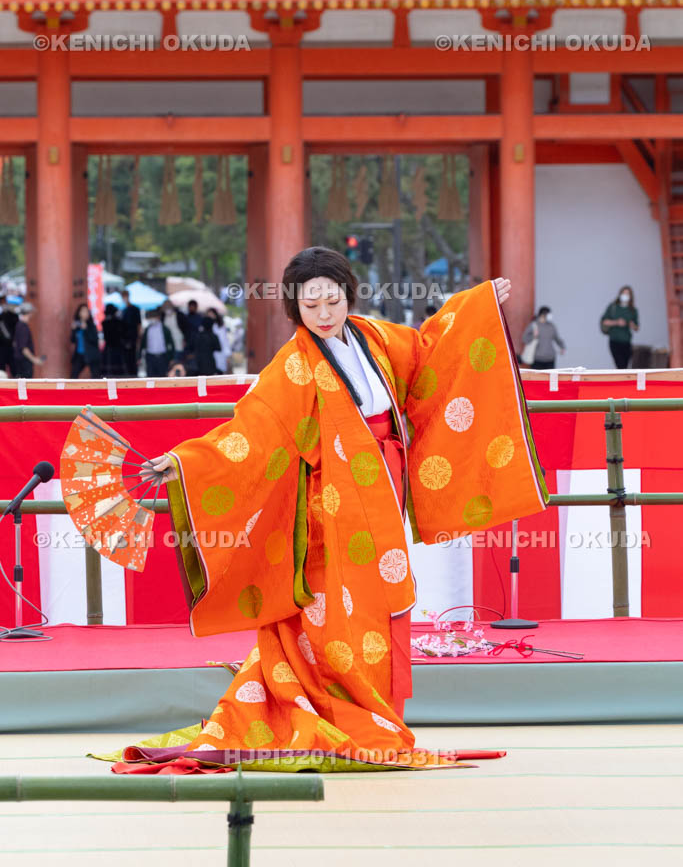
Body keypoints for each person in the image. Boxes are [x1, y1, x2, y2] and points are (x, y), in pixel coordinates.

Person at [116, 248, 548, 773]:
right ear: (295, 309)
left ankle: (379, 715)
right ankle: (334, 713)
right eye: (311, 303)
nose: (325, 312)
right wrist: (184, 462)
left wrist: (479, 308)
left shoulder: (375, 336)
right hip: (329, 508)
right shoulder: (292, 366)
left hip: (385, 487)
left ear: (348, 296)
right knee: (326, 614)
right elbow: (249, 433)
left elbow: (431, 349)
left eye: (333, 299)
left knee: (384, 600)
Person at [600, 286, 639, 369]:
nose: (625, 295)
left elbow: (637, 327)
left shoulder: (632, 310)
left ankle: (625, 381)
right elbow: (604, 321)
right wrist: (617, 322)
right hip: (614, 341)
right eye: (624, 293)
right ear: (620, 294)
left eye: (627, 294)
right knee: (620, 365)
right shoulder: (613, 307)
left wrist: (631, 324)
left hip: (626, 342)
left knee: (625, 366)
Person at [139, 307, 174, 378]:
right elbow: (142, 344)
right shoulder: (147, 329)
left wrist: (171, 358)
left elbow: (171, 344)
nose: (151, 320)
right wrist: (139, 357)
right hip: (150, 357)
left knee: (162, 377)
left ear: (158, 317)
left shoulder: (165, 329)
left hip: (162, 357)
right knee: (150, 378)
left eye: (152, 317)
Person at [70, 304, 101, 379]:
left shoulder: (91, 325)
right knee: (74, 375)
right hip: (80, 354)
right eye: (82, 311)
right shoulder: (77, 325)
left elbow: (95, 340)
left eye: (86, 311)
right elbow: (72, 340)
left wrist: (86, 329)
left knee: (95, 376)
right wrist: (73, 330)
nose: (84, 313)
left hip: (91, 354)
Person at [13, 304, 44, 378]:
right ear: (28, 312)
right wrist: (34, 360)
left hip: (20, 361)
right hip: (24, 362)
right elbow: (24, 348)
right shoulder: (23, 327)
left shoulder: (19, 325)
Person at [120, 289, 142, 377]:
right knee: (127, 361)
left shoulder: (135, 309)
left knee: (133, 360)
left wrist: (138, 339)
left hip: (133, 338)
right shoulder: (123, 310)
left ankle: (134, 376)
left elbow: (139, 325)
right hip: (125, 339)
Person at [206, 307, 232, 374]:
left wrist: (227, 354)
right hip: (210, 354)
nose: (210, 316)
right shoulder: (206, 327)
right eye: (208, 315)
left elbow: (224, 341)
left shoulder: (220, 326)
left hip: (220, 352)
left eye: (211, 314)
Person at [101, 303, 125, 377]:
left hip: (110, 348)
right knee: (117, 370)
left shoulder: (105, 323)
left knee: (109, 370)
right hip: (116, 347)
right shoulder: (118, 322)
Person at [162, 300, 188, 365]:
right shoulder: (163, 317)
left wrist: (185, 340)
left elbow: (186, 329)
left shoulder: (179, 315)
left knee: (177, 362)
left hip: (178, 343)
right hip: (167, 346)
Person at [0, 294, 18, 376]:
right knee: (2, 369)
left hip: (10, 346)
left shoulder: (13, 316)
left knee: (14, 368)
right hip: (3, 346)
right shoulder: (2, 316)